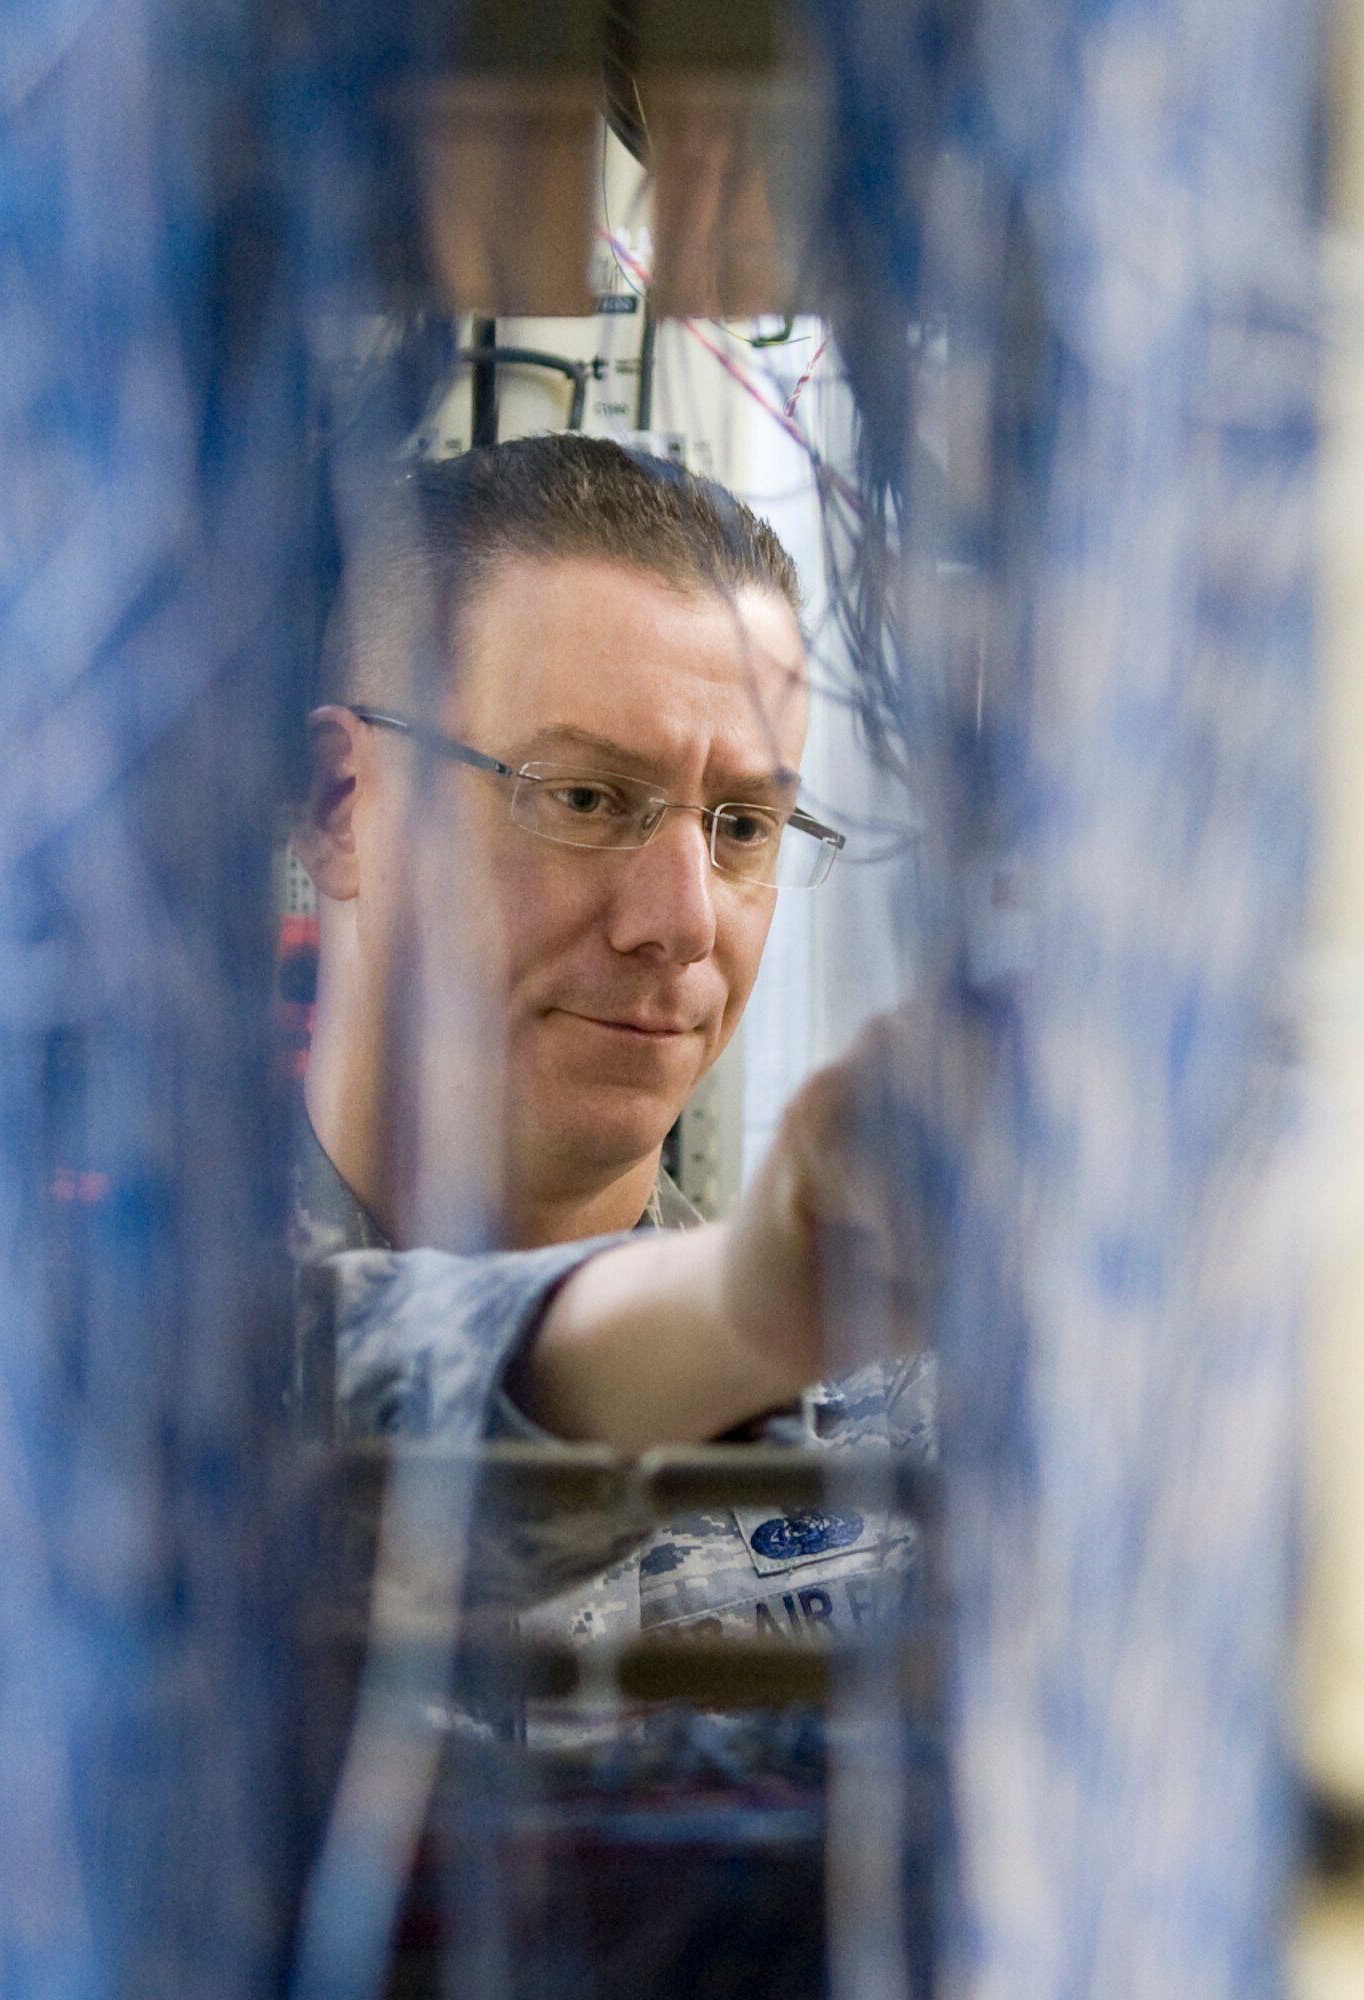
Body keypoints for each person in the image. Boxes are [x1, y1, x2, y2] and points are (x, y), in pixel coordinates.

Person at [290, 432, 931, 1633]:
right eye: (582, 797)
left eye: (741, 824)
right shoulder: (91, 1375)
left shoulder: (887, 1420)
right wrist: (736, 1312)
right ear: (341, 806)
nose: (681, 922)